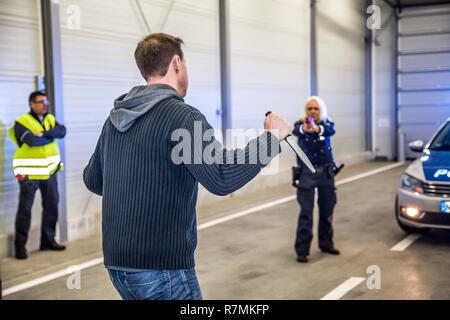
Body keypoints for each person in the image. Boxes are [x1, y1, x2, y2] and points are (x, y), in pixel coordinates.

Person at [83, 32, 291, 300]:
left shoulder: (114, 119)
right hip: (161, 269)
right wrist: (272, 138)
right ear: (177, 63)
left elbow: (93, 179)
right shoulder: (182, 116)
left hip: (117, 266)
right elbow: (221, 176)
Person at [8, 91, 67, 260]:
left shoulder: (49, 119)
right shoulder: (22, 122)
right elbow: (32, 141)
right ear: (32, 104)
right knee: (25, 210)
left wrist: (45, 134)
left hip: (49, 173)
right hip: (29, 175)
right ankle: (20, 247)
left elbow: (62, 131)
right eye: (41, 101)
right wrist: (50, 136)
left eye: (46, 101)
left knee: (52, 205)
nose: (45, 104)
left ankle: (48, 241)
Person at [292, 96, 339, 263]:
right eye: (309, 109)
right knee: (306, 213)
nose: (312, 111)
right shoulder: (299, 125)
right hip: (307, 174)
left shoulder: (327, 124)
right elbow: (297, 131)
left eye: (316, 109)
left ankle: (326, 244)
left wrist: (316, 129)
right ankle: (302, 250)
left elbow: (329, 131)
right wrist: (307, 129)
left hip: (326, 173)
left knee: (327, 210)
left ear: (321, 110)